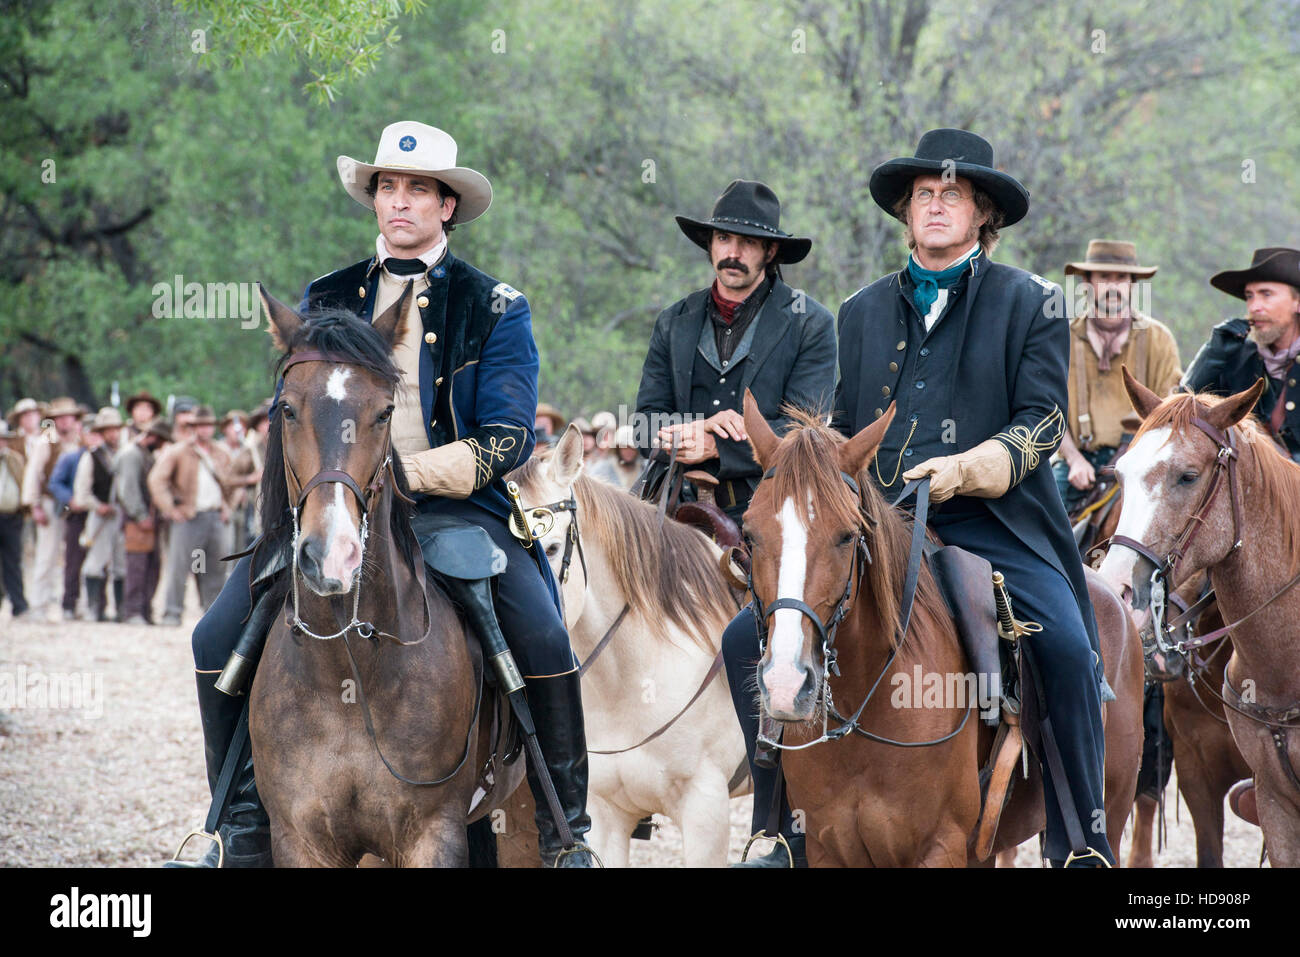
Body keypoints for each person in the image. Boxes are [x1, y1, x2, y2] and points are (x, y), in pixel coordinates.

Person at [179, 121, 593, 867]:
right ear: (375, 200)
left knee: (544, 636)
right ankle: (236, 822)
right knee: (214, 637)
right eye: (388, 188)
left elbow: (508, 437)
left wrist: (408, 475)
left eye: (418, 190)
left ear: (447, 206)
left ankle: (569, 829)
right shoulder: (328, 295)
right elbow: (299, 410)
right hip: (333, 504)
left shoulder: (496, 304)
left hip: (457, 511)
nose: (400, 202)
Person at [723, 129, 1114, 867]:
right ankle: (776, 826)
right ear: (906, 213)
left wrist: (968, 468)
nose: (935, 207)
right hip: (881, 521)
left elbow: (1041, 424)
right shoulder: (862, 308)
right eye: (923, 196)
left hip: (999, 522)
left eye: (952, 196)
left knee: (1063, 642)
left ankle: (1082, 839)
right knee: (747, 636)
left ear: (982, 215)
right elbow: (841, 423)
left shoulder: (1032, 302)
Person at [635, 180, 837, 526]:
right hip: (672, 512)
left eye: (748, 243)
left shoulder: (810, 322)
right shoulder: (673, 320)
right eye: (724, 239)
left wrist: (717, 446)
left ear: (770, 252)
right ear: (710, 245)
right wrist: (697, 428)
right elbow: (644, 427)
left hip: (772, 515)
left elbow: (804, 434)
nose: (733, 253)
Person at [1054, 240, 1183, 513]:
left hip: (1142, 460)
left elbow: (1171, 410)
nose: (1113, 286)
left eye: (1121, 278)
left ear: (1132, 284)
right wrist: (1074, 459)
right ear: (1087, 283)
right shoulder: (1060, 337)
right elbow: (1049, 412)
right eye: (1103, 277)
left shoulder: (1159, 339)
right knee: (1037, 524)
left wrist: (1134, 454)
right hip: (1077, 465)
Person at [1183, 247, 1300, 459]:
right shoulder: (1234, 358)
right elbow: (1179, 417)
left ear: (1297, 302)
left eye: (1266, 294)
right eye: (1249, 296)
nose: (1254, 306)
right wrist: (1212, 356)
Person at [148, 405, 234, 626]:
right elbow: (157, 480)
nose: (204, 430)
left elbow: (230, 483)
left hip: (215, 516)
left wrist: (227, 506)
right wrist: (170, 509)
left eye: (208, 426)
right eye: (200, 426)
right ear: (193, 428)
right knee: (179, 567)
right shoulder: (178, 451)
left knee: (215, 568)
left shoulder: (220, 452)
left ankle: (213, 616)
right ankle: (172, 613)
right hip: (189, 516)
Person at [20, 396, 81, 621]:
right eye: (60, 418)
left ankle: (73, 604)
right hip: (49, 502)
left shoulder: (80, 441)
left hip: (76, 504)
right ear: (54, 420)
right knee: (47, 554)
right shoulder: (46, 441)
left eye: (68, 417)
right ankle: (39, 604)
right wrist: (34, 505)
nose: (65, 422)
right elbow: (33, 475)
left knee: (76, 555)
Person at [73, 407, 127, 621]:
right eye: (108, 430)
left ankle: (120, 610)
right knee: (96, 563)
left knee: (121, 563)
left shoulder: (125, 454)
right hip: (101, 516)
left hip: (121, 515)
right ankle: (94, 608)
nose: (113, 434)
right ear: (102, 432)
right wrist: (98, 506)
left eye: (115, 429)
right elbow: (81, 493)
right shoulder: (91, 457)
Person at [115, 418, 170, 625]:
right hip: (136, 521)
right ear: (154, 437)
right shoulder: (131, 455)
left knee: (152, 565)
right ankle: (132, 611)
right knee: (136, 566)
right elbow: (128, 490)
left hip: (148, 520)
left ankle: (145, 610)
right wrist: (140, 516)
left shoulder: (144, 455)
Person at [0, 419, 28, 619]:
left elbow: (23, 483)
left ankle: (19, 604)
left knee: (13, 561)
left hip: (11, 516)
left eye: (3, 440)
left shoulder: (15, 460)